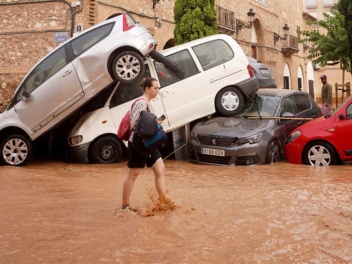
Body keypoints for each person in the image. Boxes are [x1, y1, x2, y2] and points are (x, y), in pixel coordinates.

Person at [121, 77, 169, 211]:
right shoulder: (141, 103)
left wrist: (156, 123)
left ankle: (163, 202)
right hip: (138, 144)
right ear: (147, 89)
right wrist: (155, 124)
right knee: (133, 174)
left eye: (158, 88)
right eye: (155, 88)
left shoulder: (148, 103)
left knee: (160, 170)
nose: (157, 90)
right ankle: (125, 206)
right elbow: (134, 124)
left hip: (149, 143)